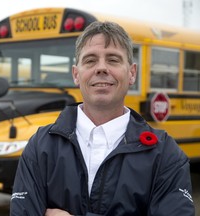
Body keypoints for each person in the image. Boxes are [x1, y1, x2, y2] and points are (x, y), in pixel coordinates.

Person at [10, 21, 195, 215]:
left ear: (132, 73)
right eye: (90, 60)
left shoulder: (165, 153)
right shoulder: (41, 146)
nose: (101, 68)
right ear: (76, 74)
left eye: (113, 60)